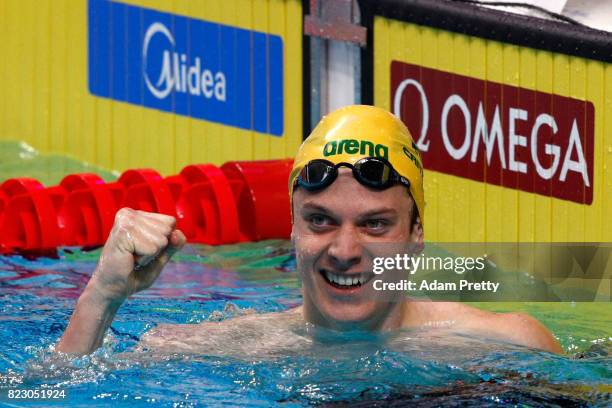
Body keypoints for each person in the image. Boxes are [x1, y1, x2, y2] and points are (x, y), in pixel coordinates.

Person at [57, 105, 562, 356]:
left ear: (417, 234)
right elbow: (40, 394)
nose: (345, 250)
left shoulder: (506, 343)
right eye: (321, 221)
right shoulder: (221, 347)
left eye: (375, 224)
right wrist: (102, 294)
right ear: (292, 230)